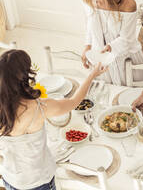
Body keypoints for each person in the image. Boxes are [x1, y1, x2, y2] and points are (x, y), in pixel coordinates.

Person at [0, 49, 106, 190]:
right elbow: (74, 102)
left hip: (10, 179)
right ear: (24, 76)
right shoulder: (38, 107)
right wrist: (92, 75)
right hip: (38, 181)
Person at [81, 0, 143, 86]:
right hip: (101, 56)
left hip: (126, 57)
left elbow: (127, 39)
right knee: (106, 95)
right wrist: (87, 47)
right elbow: (90, 25)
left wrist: (110, 47)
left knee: (133, 96)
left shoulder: (127, 4)